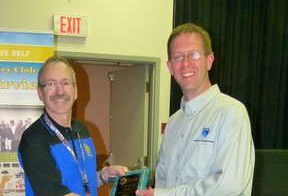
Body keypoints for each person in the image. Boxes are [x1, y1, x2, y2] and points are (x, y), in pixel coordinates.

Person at [136, 23, 255, 196]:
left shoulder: (231, 113)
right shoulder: (174, 122)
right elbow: (163, 179)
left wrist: (165, 195)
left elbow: (228, 185)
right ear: (170, 67)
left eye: (194, 54)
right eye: (178, 57)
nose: (185, 64)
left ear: (209, 61)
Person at [18, 56, 128, 196]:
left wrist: (104, 175)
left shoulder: (82, 130)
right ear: (40, 93)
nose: (60, 91)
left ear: (75, 90)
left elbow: (83, 181)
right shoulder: (34, 139)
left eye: (65, 83)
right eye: (51, 84)